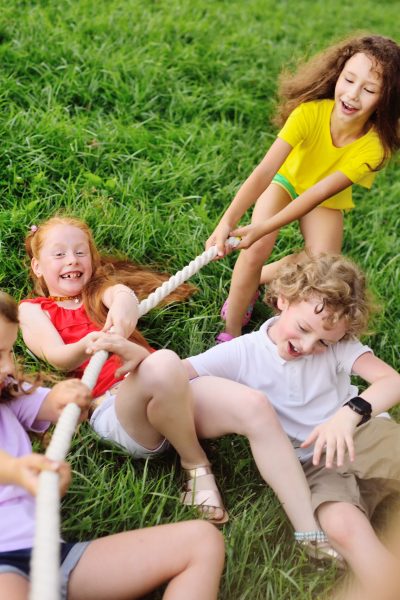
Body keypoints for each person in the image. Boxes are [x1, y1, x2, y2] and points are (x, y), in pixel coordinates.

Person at [20, 215, 330, 553]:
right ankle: (195, 465)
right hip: (118, 410)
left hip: (166, 385)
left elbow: (122, 299)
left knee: (254, 405)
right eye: (59, 254)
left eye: (80, 252)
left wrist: (123, 313)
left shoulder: (102, 290)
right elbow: (58, 356)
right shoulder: (34, 310)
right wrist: (97, 341)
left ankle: (309, 532)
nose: (72, 261)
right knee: (164, 362)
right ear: (37, 266)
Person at [179, 253, 400, 600]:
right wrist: (124, 386)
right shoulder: (243, 353)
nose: (310, 346)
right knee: (343, 528)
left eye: (324, 342)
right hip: (314, 465)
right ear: (283, 299)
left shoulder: (339, 345)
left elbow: (391, 381)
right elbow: (180, 375)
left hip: (363, 435)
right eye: (304, 329)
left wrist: (348, 414)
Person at [0, 290, 225, 600]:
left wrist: (64, 396)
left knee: (203, 541)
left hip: (51, 557)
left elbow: (51, 404)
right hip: (4, 567)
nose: (9, 366)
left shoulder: (7, 393)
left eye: (9, 351)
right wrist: (15, 469)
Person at [206, 34, 400, 342]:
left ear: (385, 100)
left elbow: (318, 195)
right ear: (338, 74)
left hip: (326, 198)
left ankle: (265, 276)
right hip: (286, 181)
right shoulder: (309, 113)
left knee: (321, 265)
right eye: (348, 80)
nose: (352, 94)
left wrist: (264, 226)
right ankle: (230, 330)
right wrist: (227, 221)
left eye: (369, 89)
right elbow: (264, 172)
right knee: (256, 248)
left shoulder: (374, 147)